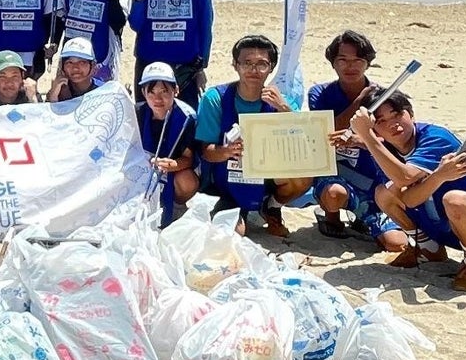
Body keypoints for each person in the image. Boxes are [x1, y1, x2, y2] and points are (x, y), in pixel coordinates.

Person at [350, 92, 466, 292]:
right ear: (375, 129)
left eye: (397, 114)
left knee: (454, 200)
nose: (393, 124)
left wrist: (367, 137)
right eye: (381, 121)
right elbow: (408, 199)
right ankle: (428, 249)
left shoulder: (435, 137)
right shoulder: (386, 151)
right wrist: (438, 176)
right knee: (383, 193)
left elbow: (405, 177)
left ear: (411, 114)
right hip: (442, 224)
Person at [195, 34, 317, 239]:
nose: (253, 70)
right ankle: (237, 210)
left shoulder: (279, 100)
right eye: (247, 63)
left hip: (265, 178)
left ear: (271, 67)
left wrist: (284, 109)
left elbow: (307, 145)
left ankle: (271, 206)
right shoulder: (215, 98)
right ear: (235, 65)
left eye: (261, 64)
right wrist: (226, 151)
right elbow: (206, 151)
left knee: (304, 175)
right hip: (227, 181)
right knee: (235, 234)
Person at [307, 30, 382, 238]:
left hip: (372, 173)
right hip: (335, 169)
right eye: (343, 60)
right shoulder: (319, 93)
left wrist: (361, 141)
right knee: (334, 194)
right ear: (333, 63)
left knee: (393, 242)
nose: (350, 66)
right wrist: (360, 101)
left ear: (367, 63)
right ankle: (330, 216)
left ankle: (363, 216)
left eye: (358, 60)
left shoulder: (384, 97)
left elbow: (396, 141)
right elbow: (326, 131)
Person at [136, 62, 199, 224]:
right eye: (151, 92)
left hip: (172, 169)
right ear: (143, 93)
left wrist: (173, 165)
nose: (157, 99)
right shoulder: (137, 113)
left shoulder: (187, 118)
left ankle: (177, 206)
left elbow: (188, 158)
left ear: (175, 90)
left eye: (164, 91)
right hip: (143, 168)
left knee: (187, 181)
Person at [46, 36, 102, 102]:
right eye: (69, 63)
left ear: (93, 65)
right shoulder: (58, 90)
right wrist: (53, 96)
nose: (75, 68)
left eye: (82, 62)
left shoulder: (103, 91)